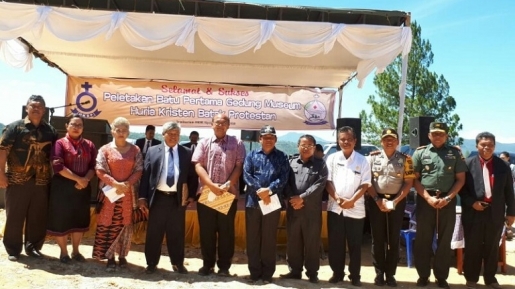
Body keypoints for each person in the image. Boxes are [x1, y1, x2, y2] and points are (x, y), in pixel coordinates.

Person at [0, 95, 58, 261]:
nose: (36, 109)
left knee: (37, 216)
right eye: (33, 106)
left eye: (39, 106)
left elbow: (56, 155)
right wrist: (1, 173)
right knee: (15, 215)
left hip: (41, 181)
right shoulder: (14, 128)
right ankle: (13, 249)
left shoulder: (50, 131)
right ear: (26, 108)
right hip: (17, 180)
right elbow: (2, 150)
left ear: (44, 110)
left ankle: (33, 247)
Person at [411, 122, 467, 289]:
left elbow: (461, 179)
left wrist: (448, 198)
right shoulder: (420, 152)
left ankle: (441, 277)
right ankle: (423, 275)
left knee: (444, 241)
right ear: (429, 135)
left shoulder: (455, 153)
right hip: (425, 199)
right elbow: (414, 179)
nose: (437, 136)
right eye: (434, 133)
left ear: (446, 136)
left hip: (447, 201)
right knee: (423, 239)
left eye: (441, 134)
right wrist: (428, 198)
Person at [191, 114, 246, 277]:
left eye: (224, 123)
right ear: (212, 124)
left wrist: (228, 184)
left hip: (227, 193)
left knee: (226, 232)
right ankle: (207, 264)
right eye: (217, 123)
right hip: (208, 192)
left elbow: (239, 165)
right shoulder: (203, 142)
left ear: (228, 125)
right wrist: (210, 185)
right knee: (207, 231)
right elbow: (198, 165)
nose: (220, 125)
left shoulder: (237, 143)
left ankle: (224, 267)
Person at [138, 121, 195, 274]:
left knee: (176, 233)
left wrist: (191, 196)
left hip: (177, 199)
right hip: (157, 198)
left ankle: (177, 263)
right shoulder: (152, 151)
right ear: (163, 135)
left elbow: (191, 176)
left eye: (176, 134)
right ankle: (151, 263)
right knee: (154, 233)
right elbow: (146, 176)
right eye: (170, 133)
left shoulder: (187, 152)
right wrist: (142, 197)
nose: (173, 137)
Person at [459, 132, 515, 289]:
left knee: (492, 246)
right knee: (472, 245)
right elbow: (461, 190)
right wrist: (472, 203)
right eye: (483, 145)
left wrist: (511, 212)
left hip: (495, 212)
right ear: (477, 146)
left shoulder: (503, 166)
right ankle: (471, 278)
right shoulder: (467, 164)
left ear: (494, 146)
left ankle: (490, 278)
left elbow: (509, 191)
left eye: (490, 145)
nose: (486, 148)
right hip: (473, 211)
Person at [93, 117, 143, 272]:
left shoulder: (135, 150)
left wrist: (127, 184)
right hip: (110, 194)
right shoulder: (104, 149)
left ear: (128, 132)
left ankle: (122, 256)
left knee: (125, 224)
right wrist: (115, 184)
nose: (121, 133)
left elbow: (139, 169)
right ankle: (110, 257)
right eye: (118, 130)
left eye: (124, 130)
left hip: (128, 194)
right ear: (113, 131)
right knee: (109, 224)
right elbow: (99, 170)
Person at [366, 128, 415, 287]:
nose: (389, 141)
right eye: (386, 139)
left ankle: (391, 275)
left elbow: (408, 183)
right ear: (381, 141)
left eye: (392, 139)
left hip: (397, 202)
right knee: (378, 240)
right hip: (376, 201)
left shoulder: (406, 160)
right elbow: (367, 182)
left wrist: (396, 201)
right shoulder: (372, 159)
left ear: (397, 142)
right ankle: (379, 274)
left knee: (393, 240)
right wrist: (377, 199)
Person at [47, 114, 98, 263]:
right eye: (73, 124)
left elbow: (94, 166)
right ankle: (63, 253)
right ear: (66, 126)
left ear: (83, 128)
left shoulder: (89, 145)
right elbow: (57, 166)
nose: (76, 128)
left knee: (79, 220)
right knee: (61, 220)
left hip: (82, 189)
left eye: (79, 125)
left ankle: (76, 252)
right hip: (62, 188)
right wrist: (79, 179)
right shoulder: (59, 144)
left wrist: (85, 180)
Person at [325, 126, 371, 286]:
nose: (346, 142)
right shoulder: (332, 159)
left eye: (349, 139)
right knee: (335, 244)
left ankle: (355, 275)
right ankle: (337, 273)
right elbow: (328, 181)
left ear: (355, 141)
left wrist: (351, 200)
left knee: (355, 245)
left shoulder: (362, 160)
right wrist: (337, 198)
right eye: (342, 139)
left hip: (355, 210)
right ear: (338, 141)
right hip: (335, 208)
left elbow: (365, 184)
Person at [243, 125, 290, 284]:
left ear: (275, 139)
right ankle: (254, 273)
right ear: (260, 139)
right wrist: (260, 191)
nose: (268, 140)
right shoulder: (251, 155)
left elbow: (284, 178)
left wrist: (269, 190)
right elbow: (247, 176)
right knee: (253, 239)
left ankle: (267, 274)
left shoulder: (282, 157)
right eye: (265, 137)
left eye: (271, 137)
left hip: (272, 202)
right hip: (253, 203)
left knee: (269, 239)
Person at [279, 134, 328, 284]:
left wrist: (302, 198)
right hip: (294, 209)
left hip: (311, 211)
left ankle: (312, 273)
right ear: (298, 146)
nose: (306, 148)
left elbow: (320, 185)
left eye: (309, 146)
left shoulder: (321, 165)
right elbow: (285, 182)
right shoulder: (291, 162)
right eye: (303, 145)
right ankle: (294, 271)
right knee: (294, 241)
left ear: (314, 147)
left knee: (312, 242)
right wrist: (292, 198)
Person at [182, 131, 200, 197]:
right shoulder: (183, 146)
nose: (194, 139)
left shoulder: (200, 147)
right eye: (192, 137)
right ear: (189, 137)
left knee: (195, 184)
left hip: (197, 170)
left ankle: (193, 197)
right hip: (186, 169)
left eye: (195, 138)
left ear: (198, 138)